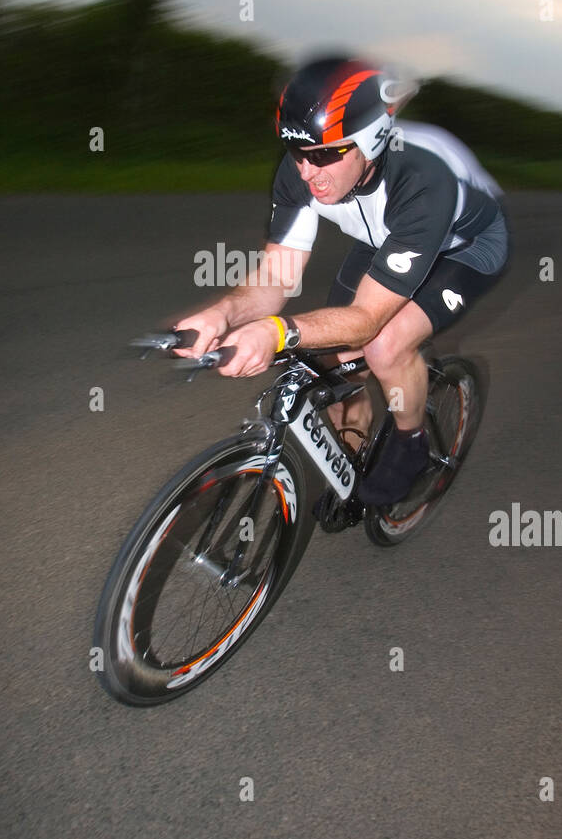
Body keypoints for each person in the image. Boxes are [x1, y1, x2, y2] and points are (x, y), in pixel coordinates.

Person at [173, 55, 510, 507]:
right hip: (389, 237)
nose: (307, 172)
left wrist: (276, 332)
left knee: (383, 344)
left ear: (370, 142)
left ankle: (410, 446)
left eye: (325, 154)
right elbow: (276, 276)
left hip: (465, 247)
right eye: (296, 153)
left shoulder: (422, 179)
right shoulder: (305, 169)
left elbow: (366, 320)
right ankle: (353, 453)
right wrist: (222, 314)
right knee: (329, 358)